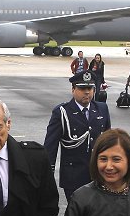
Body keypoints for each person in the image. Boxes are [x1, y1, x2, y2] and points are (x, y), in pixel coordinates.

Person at [44, 71, 111, 202]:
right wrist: (47, 174)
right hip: (73, 177)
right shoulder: (62, 112)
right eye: (82, 88)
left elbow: (109, 141)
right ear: (73, 89)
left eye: (90, 88)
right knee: (79, 215)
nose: (87, 92)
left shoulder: (102, 109)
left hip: (99, 175)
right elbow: (50, 146)